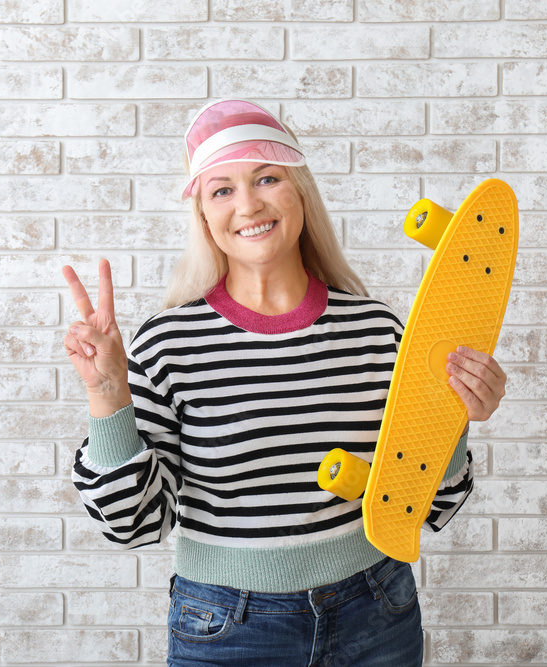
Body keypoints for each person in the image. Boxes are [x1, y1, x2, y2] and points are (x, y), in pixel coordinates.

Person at [63, 99, 507, 667]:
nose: (248, 203)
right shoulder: (166, 343)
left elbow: (428, 504)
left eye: (267, 178)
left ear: (300, 193)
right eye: (222, 189)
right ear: (203, 216)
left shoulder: (377, 331)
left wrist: (456, 418)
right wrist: (107, 395)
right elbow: (133, 521)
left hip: (375, 610)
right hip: (229, 627)